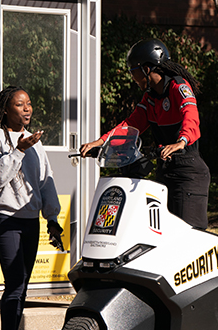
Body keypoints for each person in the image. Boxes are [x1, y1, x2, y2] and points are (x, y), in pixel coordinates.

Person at [80, 38, 210, 229]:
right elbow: (131, 125)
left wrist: (181, 141)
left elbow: (190, 113)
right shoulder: (150, 97)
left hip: (188, 172)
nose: (132, 77)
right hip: (166, 169)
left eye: (133, 71)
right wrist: (100, 142)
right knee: (160, 233)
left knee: (187, 235)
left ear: (146, 69)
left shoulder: (178, 86)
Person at [0, 86, 63, 330]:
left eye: (29, 103)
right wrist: (19, 149)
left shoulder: (35, 143)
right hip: (6, 221)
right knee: (15, 284)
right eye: (20, 105)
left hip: (30, 222)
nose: (27, 109)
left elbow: (45, 179)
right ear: (6, 109)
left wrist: (52, 219)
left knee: (22, 286)